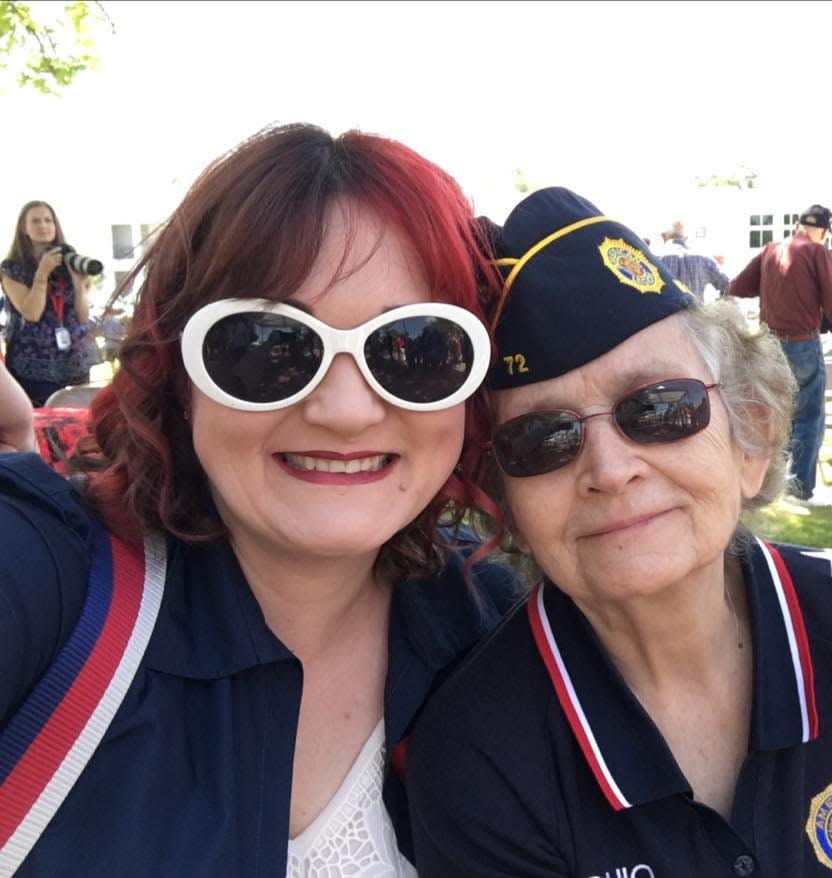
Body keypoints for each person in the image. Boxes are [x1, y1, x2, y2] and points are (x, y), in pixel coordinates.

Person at [406, 186, 832, 878]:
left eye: (660, 407)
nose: (609, 470)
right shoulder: (477, 755)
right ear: (507, 501)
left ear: (750, 439)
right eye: (544, 438)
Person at [0, 124, 518, 875]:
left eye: (414, 348)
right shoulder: (49, 574)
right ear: (177, 372)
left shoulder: (489, 624)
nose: (346, 411)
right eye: (268, 347)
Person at [727, 203, 832, 506]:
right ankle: (800, 489)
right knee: (809, 417)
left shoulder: (771, 249)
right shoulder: (816, 252)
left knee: (772, 416)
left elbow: (738, 285)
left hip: (768, 343)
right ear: (823, 231)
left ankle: (770, 486)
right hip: (801, 344)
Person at [1, 201, 98, 406]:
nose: (43, 225)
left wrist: (80, 285)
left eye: (48, 220)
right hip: (33, 366)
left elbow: (82, 317)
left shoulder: (70, 262)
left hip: (75, 361)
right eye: (35, 221)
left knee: (73, 422)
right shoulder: (11, 269)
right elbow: (32, 313)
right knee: (42, 425)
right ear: (23, 228)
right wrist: (42, 273)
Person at [657, 220, 730, 301]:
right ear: (685, 238)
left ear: (664, 237)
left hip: (667, 312)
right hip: (698, 312)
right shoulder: (704, 258)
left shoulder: (657, 260)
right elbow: (728, 286)